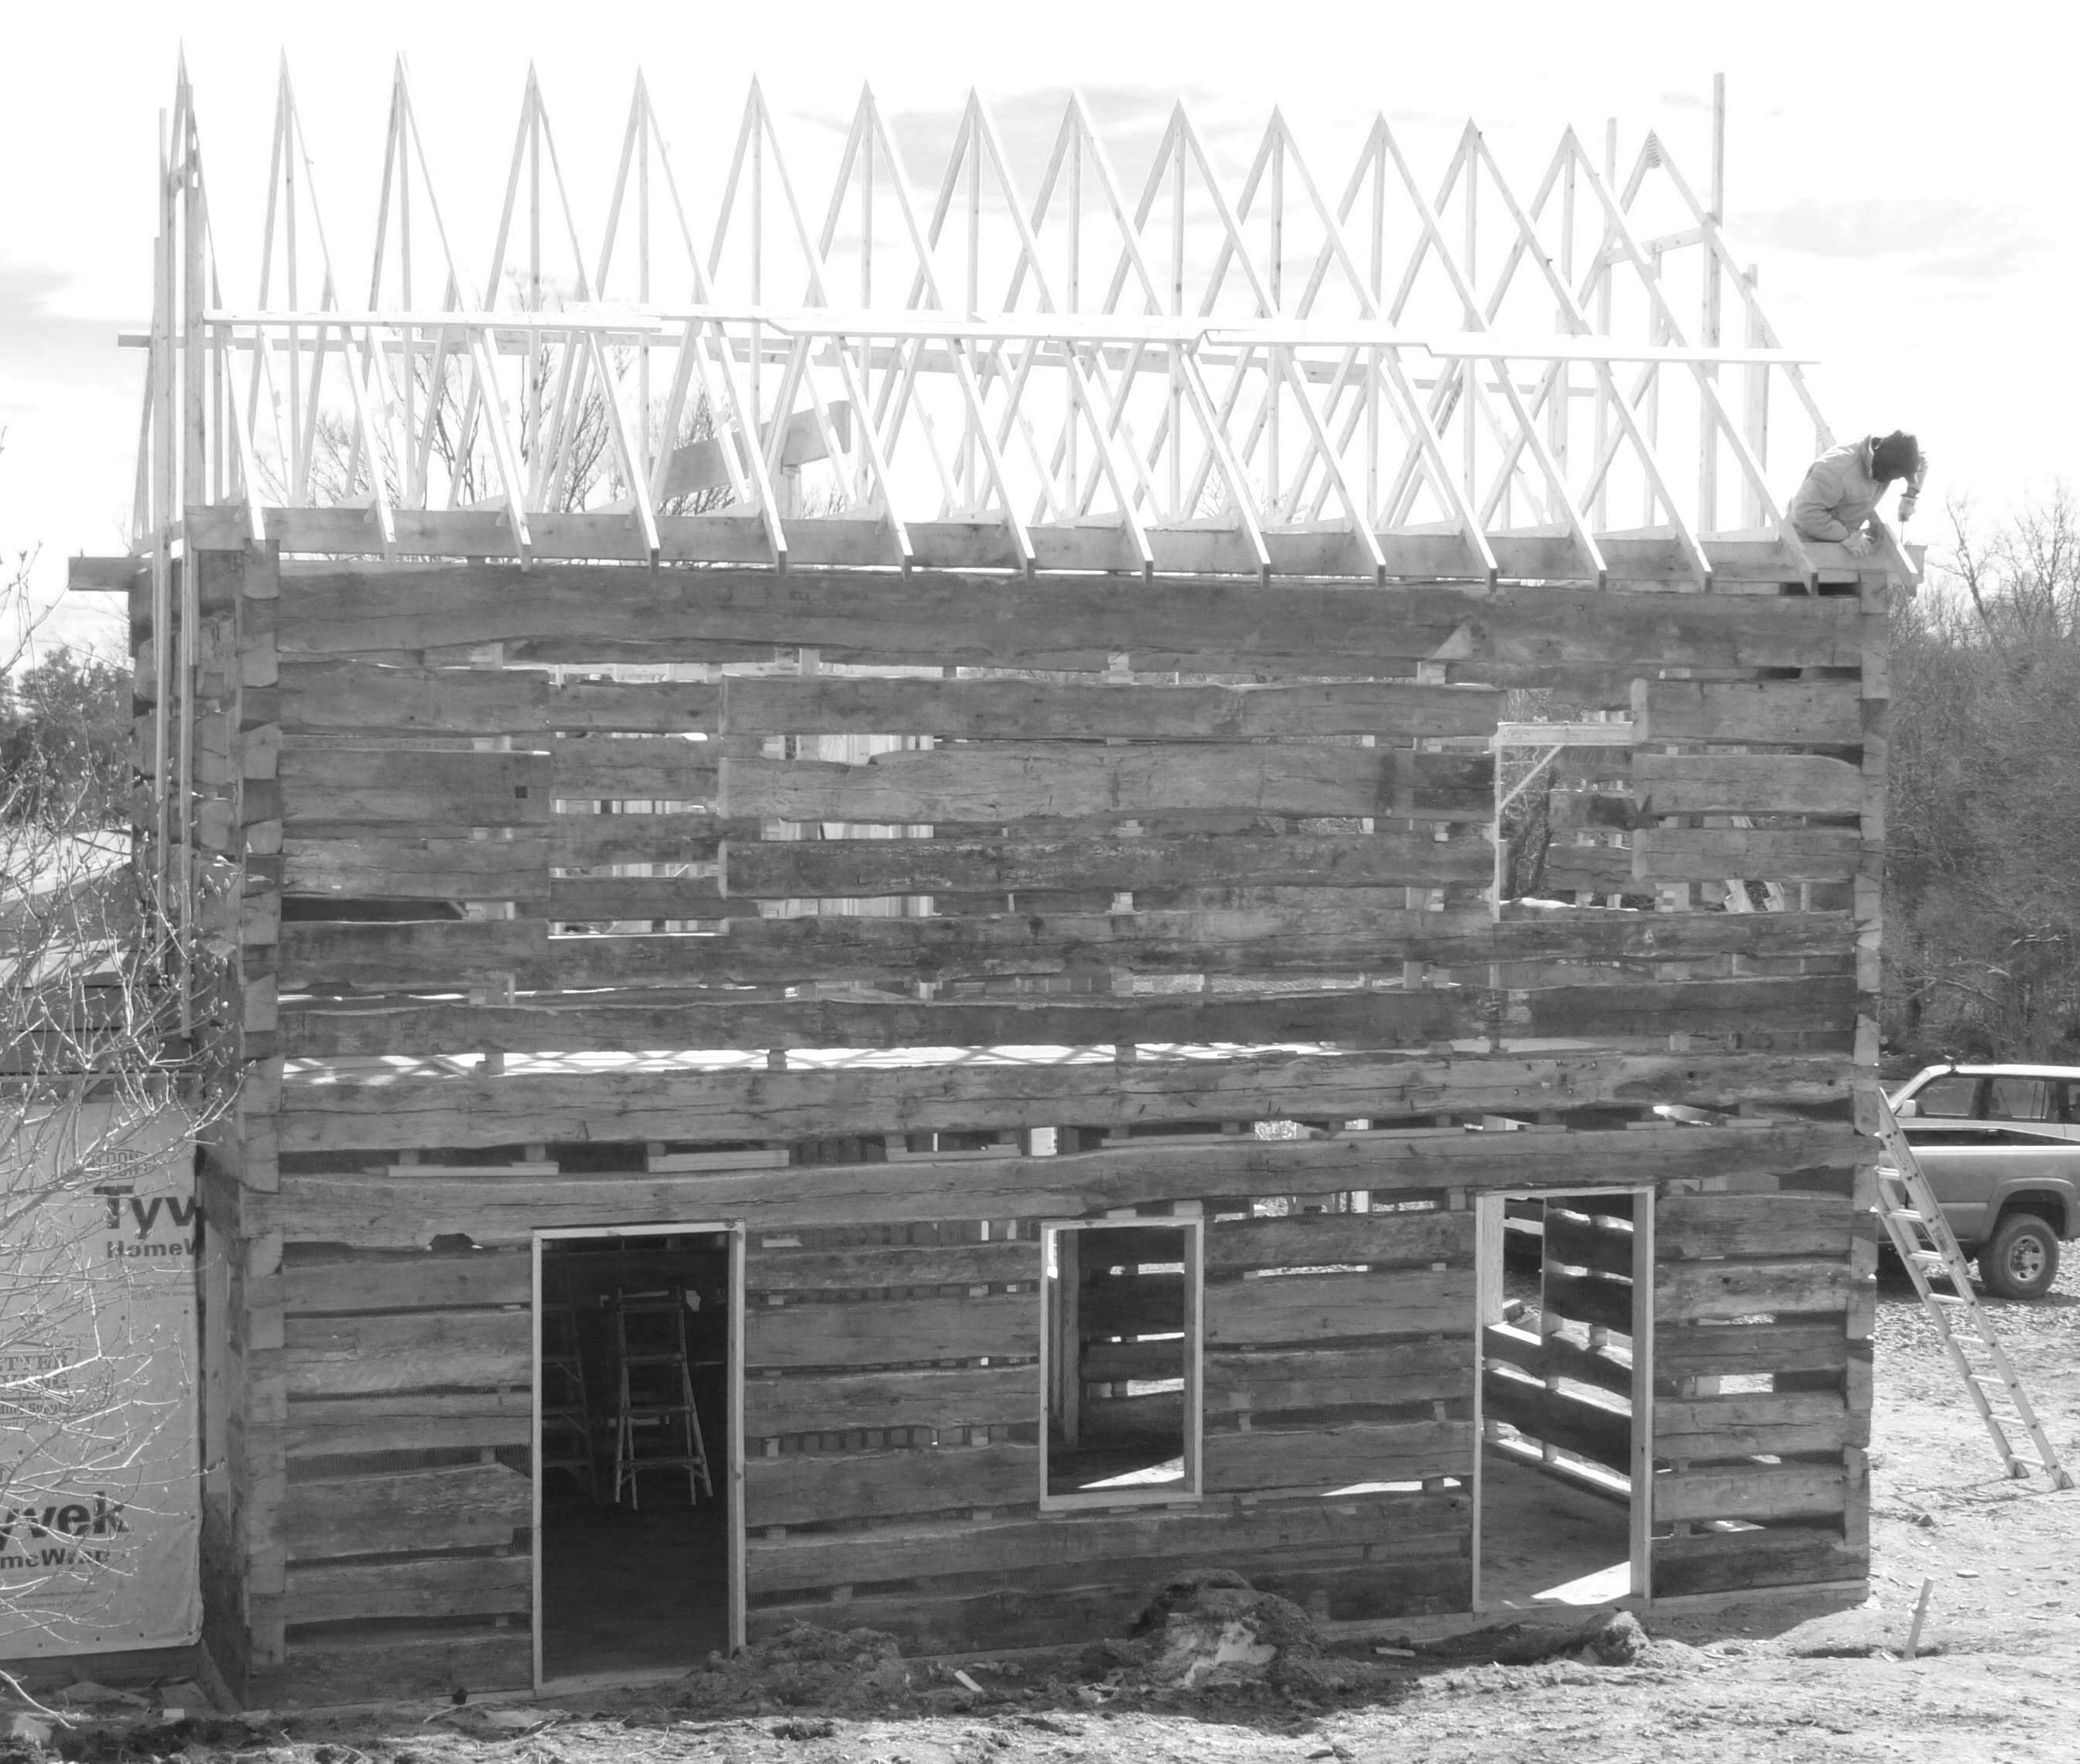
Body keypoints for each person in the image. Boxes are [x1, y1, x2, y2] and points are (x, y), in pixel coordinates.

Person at [1788, 429, 1926, 556]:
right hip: (1806, 540)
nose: (1896, 480)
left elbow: (1922, 462)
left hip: (1842, 539)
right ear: (1882, 470)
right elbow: (1804, 512)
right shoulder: (1836, 471)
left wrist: (1910, 497)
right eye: (1896, 476)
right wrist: (1846, 537)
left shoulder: (1885, 458)